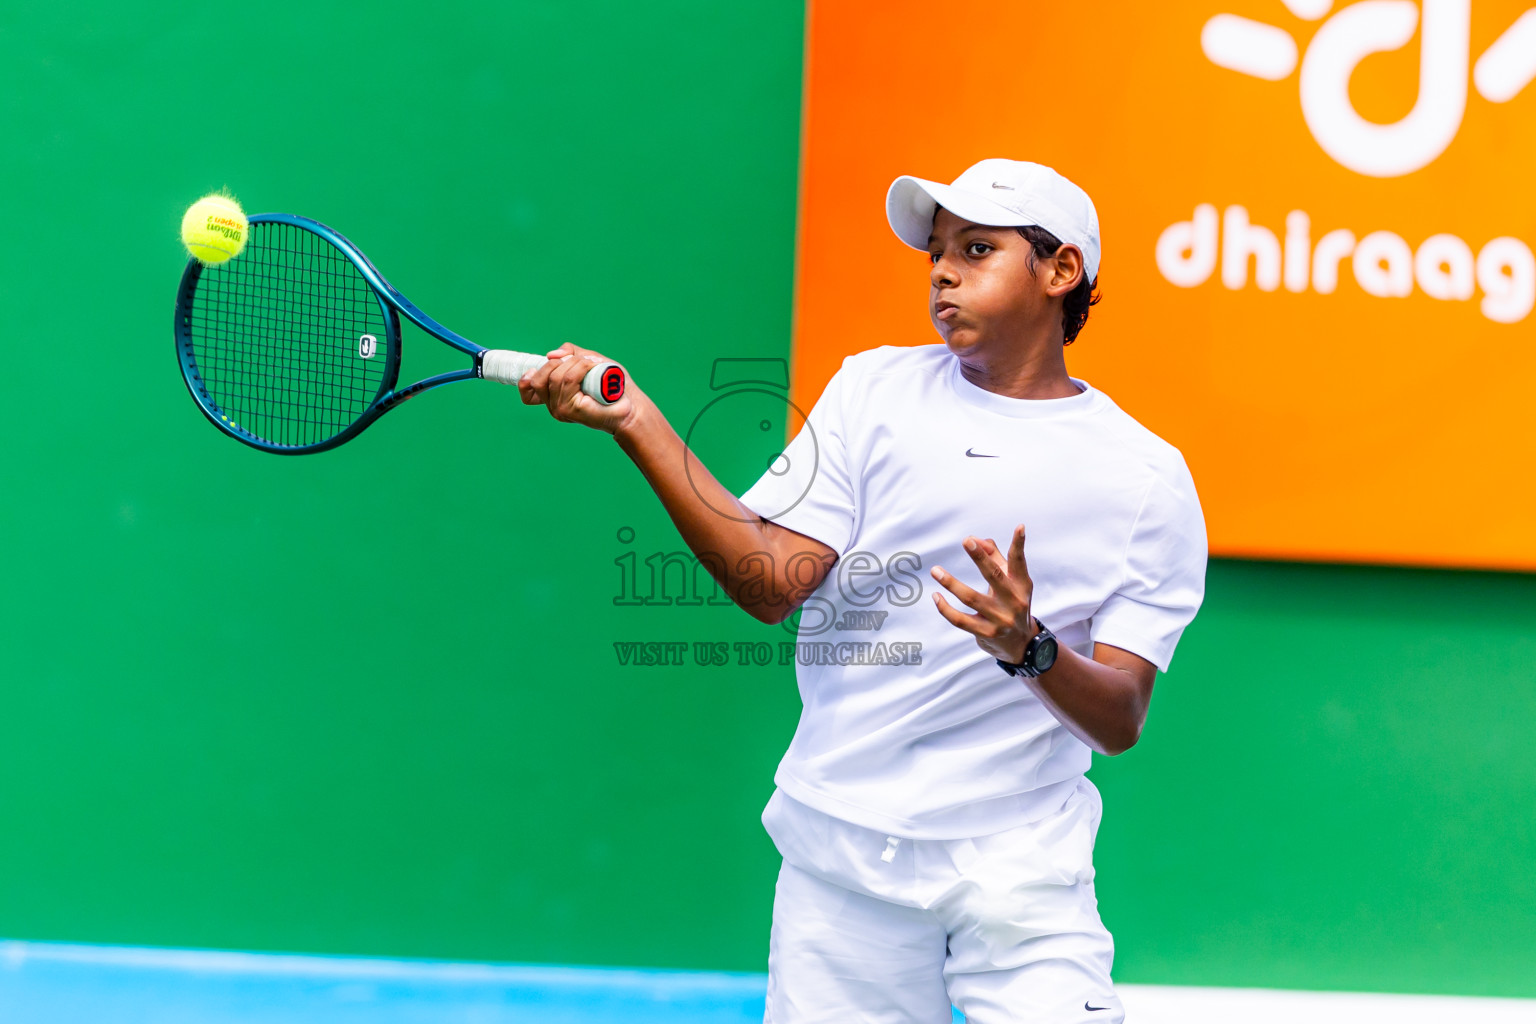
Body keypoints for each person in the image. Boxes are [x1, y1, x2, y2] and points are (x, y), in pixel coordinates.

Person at [517, 158, 1207, 1024]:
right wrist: (637, 420)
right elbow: (771, 584)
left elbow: (1120, 719)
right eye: (935, 255)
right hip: (842, 861)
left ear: (1061, 271)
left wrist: (1029, 651)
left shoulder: (1147, 479)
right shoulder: (872, 391)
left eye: (978, 249)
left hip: (1021, 873)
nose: (944, 271)